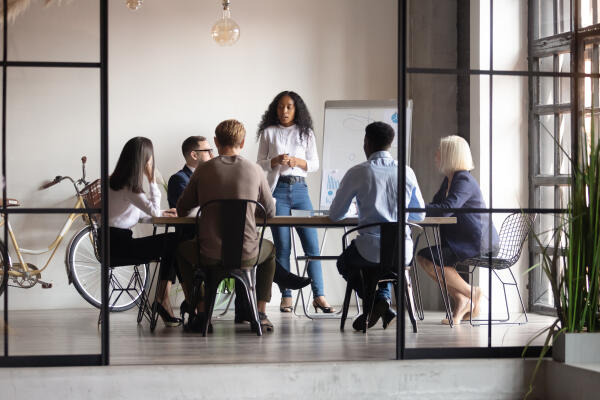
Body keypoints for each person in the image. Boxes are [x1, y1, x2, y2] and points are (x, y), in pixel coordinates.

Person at [176, 119, 277, 332]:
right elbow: (269, 212)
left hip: (209, 254)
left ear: (216, 141)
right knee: (271, 251)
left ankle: (202, 312)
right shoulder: (255, 170)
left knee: (180, 252)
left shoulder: (202, 171)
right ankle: (259, 313)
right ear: (242, 141)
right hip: (246, 254)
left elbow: (182, 208)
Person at [330, 122, 425, 330]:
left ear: (367, 143)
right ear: (390, 144)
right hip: (402, 251)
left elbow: (335, 214)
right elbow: (419, 213)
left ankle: (378, 300)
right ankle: (383, 303)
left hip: (369, 251)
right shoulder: (407, 172)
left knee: (345, 263)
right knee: (384, 265)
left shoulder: (358, 172)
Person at [256, 90, 334, 313]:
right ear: (275, 109)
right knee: (282, 247)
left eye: (289, 107)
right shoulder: (268, 132)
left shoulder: (306, 132)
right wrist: (275, 160)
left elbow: (315, 164)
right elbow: (259, 163)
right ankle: (286, 296)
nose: (284, 111)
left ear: (296, 109)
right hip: (278, 191)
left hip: (300, 191)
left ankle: (319, 295)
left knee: (312, 245)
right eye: (281, 107)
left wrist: (298, 161)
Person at [415, 135, 499, 324]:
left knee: (428, 257)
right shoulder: (450, 179)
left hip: (477, 242)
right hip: (462, 240)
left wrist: (413, 208)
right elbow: (437, 205)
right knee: (425, 256)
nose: (436, 154)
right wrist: (415, 207)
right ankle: (462, 300)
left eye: (440, 151)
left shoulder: (464, 180)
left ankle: (472, 293)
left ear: (449, 155)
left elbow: (446, 209)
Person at [108, 137, 181, 327]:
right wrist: (152, 180)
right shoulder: (130, 187)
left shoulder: (114, 181)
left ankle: (162, 300)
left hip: (110, 243)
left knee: (171, 244)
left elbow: (132, 214)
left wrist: (160, 214)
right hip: (120, 247)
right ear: (144, 160)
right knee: (175, 242)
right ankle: (162, 300)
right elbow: (153, 211)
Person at [167, 136, 214, 209]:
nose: (212, 155)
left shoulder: (211, 178)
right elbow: (190, 209)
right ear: (194, 155)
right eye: (208, 151)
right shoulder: (179, 179)